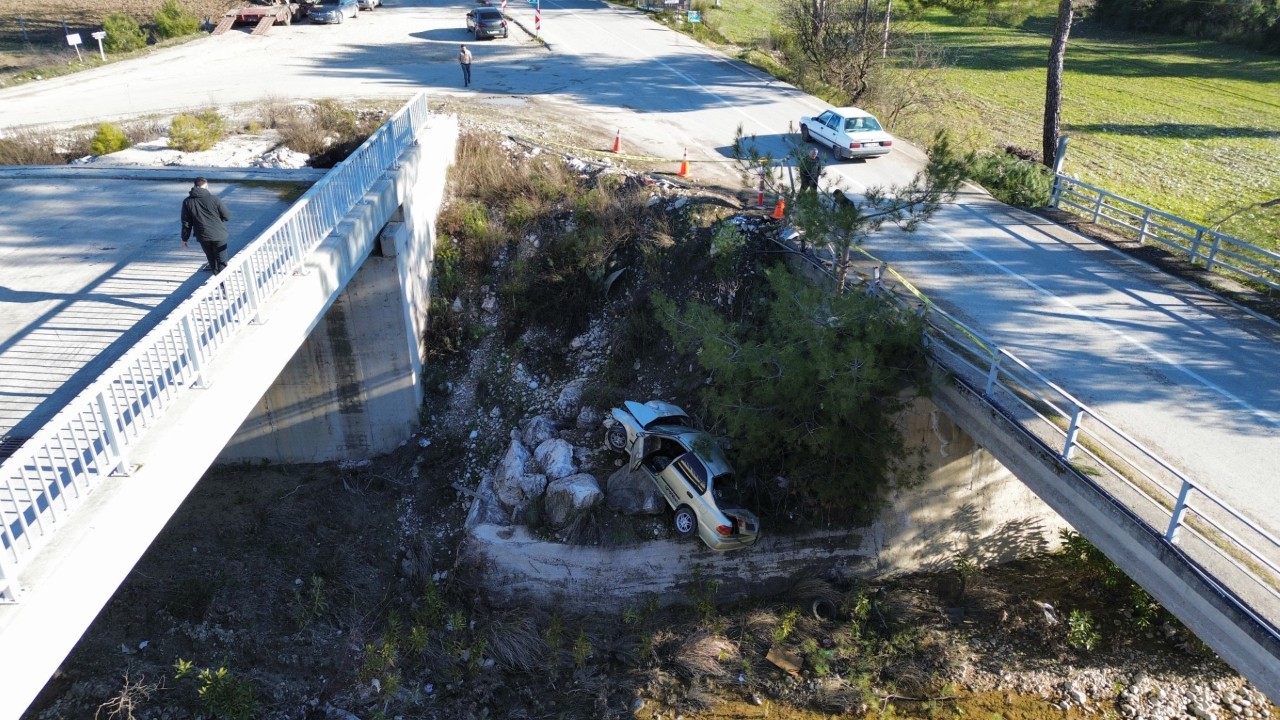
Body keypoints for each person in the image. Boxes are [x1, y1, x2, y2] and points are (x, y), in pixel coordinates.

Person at [181, 177, 232, 275]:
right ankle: (223, 283)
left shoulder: (187, 202)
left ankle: (218, 281)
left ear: (195, 186)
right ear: (206, 186)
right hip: (219, 234)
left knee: (212, 260)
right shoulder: (214, 199)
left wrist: (184, 238)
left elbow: (186, 222)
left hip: (203, 236)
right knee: (222, 260)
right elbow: (227, 216)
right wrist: (219, 220)